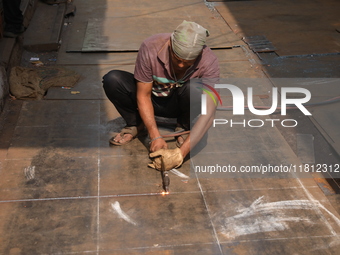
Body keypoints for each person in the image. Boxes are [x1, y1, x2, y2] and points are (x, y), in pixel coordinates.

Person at [102, 20, 220, 171]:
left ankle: (182, 126)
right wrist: (155, 136)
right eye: (178, 59)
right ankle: (136, 124)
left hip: (178, 105)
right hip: (151, 99)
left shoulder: (209, 60)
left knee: (196, 89)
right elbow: (143, 96)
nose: (182, 66)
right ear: (170, 45)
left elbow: (209, 113)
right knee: (113, 80)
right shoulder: (151, 46)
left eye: (188, 62)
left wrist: (180, 154)